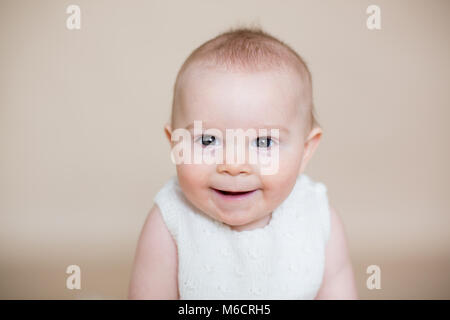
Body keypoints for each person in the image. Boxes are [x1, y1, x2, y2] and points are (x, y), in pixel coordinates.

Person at [129, 27, 358, 299]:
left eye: (263, 142)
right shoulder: (170, 222)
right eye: (208, 140)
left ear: (305, 150)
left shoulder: (317, 217)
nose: (234, 165)